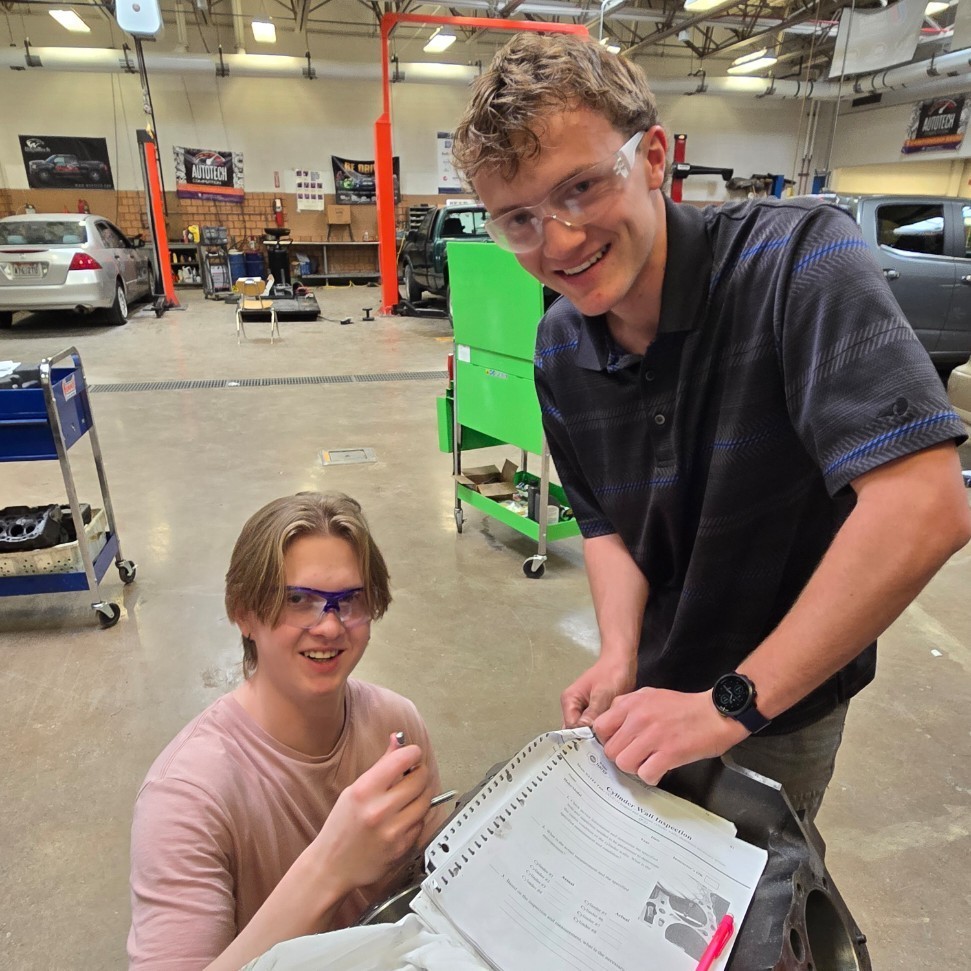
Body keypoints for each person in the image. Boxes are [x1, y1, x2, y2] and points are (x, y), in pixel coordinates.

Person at [452, 33, 971, 822]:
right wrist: (621, 654)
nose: (555, 241)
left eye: (581, 188)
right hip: (656, 688)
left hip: (783, 702)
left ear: (653, 157)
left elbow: (922, 504)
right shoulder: (559, 345)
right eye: (517, 219)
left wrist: (728, 705)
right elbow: (602, 524)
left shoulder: (797, 263)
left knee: (762, 890)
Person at [128, 492, 445, 970]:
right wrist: (330, 868)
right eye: (298, 600)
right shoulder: (185, 797)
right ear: (243, 611)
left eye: (350, 600)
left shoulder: (396, 723)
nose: (330, 627)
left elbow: (438, 890)